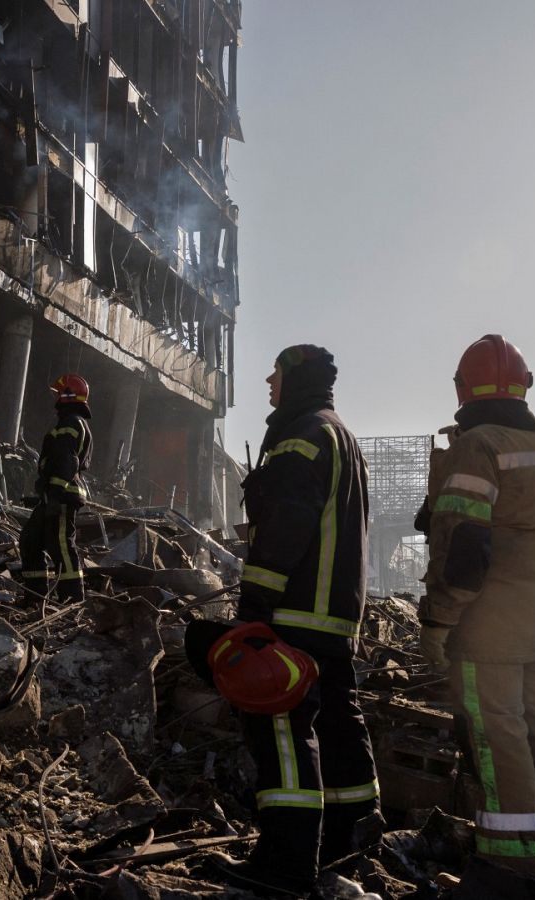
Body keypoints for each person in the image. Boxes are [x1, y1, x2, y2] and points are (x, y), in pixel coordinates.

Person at [213, 344, 380, 896]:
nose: (268, 380)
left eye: (276, 372)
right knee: (337, 726)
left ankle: (284, 865)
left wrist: (254, 609)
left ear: (296, 377)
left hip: (294, 610)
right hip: (333, 616)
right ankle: (351, 846)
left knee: (280, 729)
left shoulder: (301, 435)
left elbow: (285, 525)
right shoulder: (341, 435)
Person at [416, 335, 535, 878]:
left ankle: (510, 869)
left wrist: (438, 619)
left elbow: (466, 550)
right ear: (523, 386)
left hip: (485, 618)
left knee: (495, 734)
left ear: (461, 389)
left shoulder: (477, 444)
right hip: (533, 610)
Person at [18, 373, 93, 603]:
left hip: (62, 497)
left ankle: (72, 599)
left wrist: (55, 493)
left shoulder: (71, 423)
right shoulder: (68, 423)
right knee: (30, 540)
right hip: (53, 495)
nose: (56, 398)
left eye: (59, 394)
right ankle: (35, 597)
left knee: (61, 545)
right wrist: (44, 491)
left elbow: (67, 461)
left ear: (68, 396)